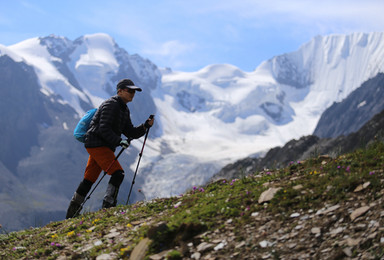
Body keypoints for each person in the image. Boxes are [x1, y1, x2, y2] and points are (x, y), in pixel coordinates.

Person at [66, 78, 154, 219]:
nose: (132, 93)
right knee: (118, 173)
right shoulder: (111, 105)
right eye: (129, 90)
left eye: (134, 91)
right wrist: (119, 141)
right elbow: (103, 128)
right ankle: (108, 208)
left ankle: (71, 214)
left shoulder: (124, 109)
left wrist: (145, 126)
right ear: (119, 91)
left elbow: (129, 131)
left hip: (99, 144)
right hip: (97, 144)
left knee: (89, 179)